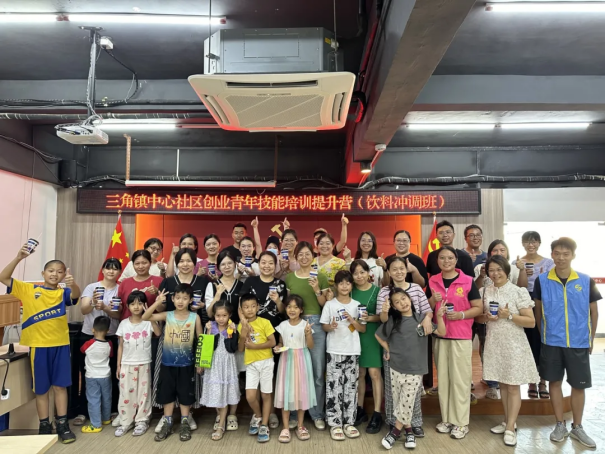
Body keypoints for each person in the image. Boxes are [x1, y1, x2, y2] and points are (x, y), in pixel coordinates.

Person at [0, 244, 81, 444]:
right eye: (51, 270)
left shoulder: (63, 293)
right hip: (38, 347)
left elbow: (75, 296)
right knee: (41, 389)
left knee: (60, 387)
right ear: (43, 273)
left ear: (64, 275)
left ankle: (62, 425)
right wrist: (19, 257)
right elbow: (3, 277)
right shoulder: (29, 289)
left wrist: (73, 284)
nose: (55, 274)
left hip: (61, 345)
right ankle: (44, 425)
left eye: (59, 272)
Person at [534, 237, 600, 449]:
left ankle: (577, 427)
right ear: (551, 255)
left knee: (578, 385)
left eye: (566, 254)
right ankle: (559, 424)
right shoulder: (542, 280)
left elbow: (594, 312)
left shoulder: (585, 280)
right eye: (557, 253)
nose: (561, 258)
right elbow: (538, 311)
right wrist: (544, 335)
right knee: (554, 382)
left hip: (578, 342)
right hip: (551, 342)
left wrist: (590, 339)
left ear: (573, 256)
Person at [475, 255, 539, 447]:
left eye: (499, 269)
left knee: (512, 386)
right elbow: (478, 319)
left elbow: (531, 322)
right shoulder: (484, 291)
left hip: (514, 344)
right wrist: (486, 317)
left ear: (507, 270)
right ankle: (507, 420)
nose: (495, 273)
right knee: (502, 384)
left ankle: (511, 427)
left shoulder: (518, 291)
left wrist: (509, 315)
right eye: (491, 270)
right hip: (494, 343)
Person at [376, 288, 447, 450]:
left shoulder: (422, 319)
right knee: (399, 401)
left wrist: (439, 316)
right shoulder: (394, 321)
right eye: (397, 302)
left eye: (404, 298)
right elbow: (378, 336)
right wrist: (388, 350)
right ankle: (409, 432)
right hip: (396, 366)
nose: (402, 303)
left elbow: (442, 332)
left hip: (416, 369)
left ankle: (395, 432)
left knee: (407, 400)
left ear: (410, 298)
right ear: (394, 307)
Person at [427, 246, 482, 440]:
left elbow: (478, 307)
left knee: (460, 380)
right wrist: (432, 300)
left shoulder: (467, 281)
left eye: (450, 258)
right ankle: (447, 419)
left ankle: (461, 422)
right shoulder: (433, 280)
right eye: (442, 258)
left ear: (456, 260)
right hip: (440, 335)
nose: (446, 261)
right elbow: (427, 308)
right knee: (443, 380)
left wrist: (461, 315)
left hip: (460, 336)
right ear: (437, 261)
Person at [152, 248, 207, 432]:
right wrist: (157, 302)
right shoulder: (168, 282)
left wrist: (203, 306)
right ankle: (166, 417)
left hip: (195, 330)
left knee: (188, 380)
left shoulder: (203, 281)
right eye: (181, 261)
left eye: (189, 260)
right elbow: (159, 310)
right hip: (172, 335)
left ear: (195, 263)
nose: (185, 264)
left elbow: (209, 311)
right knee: (167, 378)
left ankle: (187, 415)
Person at [378, 256, 433, 437]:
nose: (399, 272)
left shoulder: (416, 289)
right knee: (392, 388)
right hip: (393, 346)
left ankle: (414, 422)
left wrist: (427, 318)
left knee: (413, 388)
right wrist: (385, 311)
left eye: (401, 268)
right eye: (394, 269)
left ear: (406, 269)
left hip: (414, 346)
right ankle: (393, 421)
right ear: (389, 272)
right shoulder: (384, 292)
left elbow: (427, 311)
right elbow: (383, 320)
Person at [143, 284, 203, 442]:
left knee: (185, 394)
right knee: (167, 394)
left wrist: (200, 362)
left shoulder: (194, 317)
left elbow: (201, 339)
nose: (181, 301)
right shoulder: (167, 315)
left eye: (185, 298)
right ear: (172, 299)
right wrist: (157, 302)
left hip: (187, 364)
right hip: (167, 364)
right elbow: (146, 317)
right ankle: (167, 422)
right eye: (178, 298)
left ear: (190, 300)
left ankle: (185, 422)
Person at [473, 239, 529, 398]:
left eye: (502, 250)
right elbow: (475, 292)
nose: (499, 253)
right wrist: (485, 316)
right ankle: (491, 383)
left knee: (511, 380)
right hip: (491, 324)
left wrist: (509, 315)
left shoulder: (515, 273)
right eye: (495, 250)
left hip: (512, 330)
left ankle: (511, 417)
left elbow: (522, 286)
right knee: (488, 350)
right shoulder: (484, 283)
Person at [285, 241, 330, 430]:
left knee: (318, 372)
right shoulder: (290, 278)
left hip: (316, 323)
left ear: (313, 255)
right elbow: (288, 305)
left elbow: (324, 304)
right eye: (300, 254)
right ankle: (294, 414)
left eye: (307, 254)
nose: (304, 257)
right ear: (295, 257)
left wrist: (317, 290)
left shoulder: (321, 276)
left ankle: (317, 414)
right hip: (295, 324)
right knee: (295, 373)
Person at [75, 258, 122, 428]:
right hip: (89, 336)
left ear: (119, 272)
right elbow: (83, 310)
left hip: (112, 336)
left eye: (115, 268)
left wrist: (106, 308)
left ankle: (111, 410)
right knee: (86, 374)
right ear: (102, 270)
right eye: (108, 268)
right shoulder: (91, 287)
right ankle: (83, 411)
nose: (111, 271)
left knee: (112, 373)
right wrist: (94, 303)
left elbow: (119, 315)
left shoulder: (120, 288)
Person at [320, 270, 366, 441]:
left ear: (352, 285)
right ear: (336, 286)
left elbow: (363, 328)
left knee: (351, 387)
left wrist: (353, 320)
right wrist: (330, 326)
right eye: (341, 283)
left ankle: (349, 422)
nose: (345, 286)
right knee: (334, 387)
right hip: (334, 350)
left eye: (348, 283)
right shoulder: (330, 304)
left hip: (352, 350)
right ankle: (334, 423)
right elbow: (324, 326)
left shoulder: (357, 305)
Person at [511, 231, 555, 399]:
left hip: (543, 302)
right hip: (523, 302)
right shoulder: (516, 263)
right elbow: (515, 287)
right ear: (523, 244)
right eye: (527, 242)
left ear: (539, 243)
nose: (531, 245)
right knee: (528, 342)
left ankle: (543, 381)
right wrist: (522, 272)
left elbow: (551, 284)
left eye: (534, 241)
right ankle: (531, 381)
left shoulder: (549, 263)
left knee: (542, 341)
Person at [114, 291, 161, 437]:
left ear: (145, 305)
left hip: (144, 362)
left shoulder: (148, 322)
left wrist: (150, 316)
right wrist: (118, 365)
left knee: (143, 393)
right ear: (127, 306)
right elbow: (120, 345)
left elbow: (158, 333)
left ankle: (142, 420)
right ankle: (125, 421)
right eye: (133, 304)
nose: (136, 307)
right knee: (126, 393)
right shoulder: (123, 323)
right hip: (127, 363)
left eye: (140, 303)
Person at [273, 295, 316, 443]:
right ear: (285, 309)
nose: (292, 310)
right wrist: (278, 347)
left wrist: (308, 334)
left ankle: (300, 425)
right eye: (289, 307)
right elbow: (281, 342)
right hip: (286, 360)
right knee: (286, 391)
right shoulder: (283, 325)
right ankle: (285, 427)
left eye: (296, 307)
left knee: (301, 392)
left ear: (301, 310)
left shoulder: (305, 325)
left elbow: (311, 346)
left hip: (302, 359)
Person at [238, 293, 277, 443]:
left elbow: (272, 342)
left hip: (266, 362)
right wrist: (243, 334)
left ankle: (264, 425)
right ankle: (258, 416)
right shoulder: (241, 325)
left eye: (253, 306)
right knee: (250, 396)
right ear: (241, 309)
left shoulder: (265, 322)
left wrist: (255, 346)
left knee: (266, 395)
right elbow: (240, 348)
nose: (250, 309)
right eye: (246, 307)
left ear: (258, 307)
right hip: (251, 364)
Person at [350, 260, 383, 433]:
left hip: (372, 335)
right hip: (354, 335)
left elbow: (383, 316)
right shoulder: (349, 290)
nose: (359, 276)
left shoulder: (378, 291)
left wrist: (369, 318)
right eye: (355, 273)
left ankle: (377, 413)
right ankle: (360, 409)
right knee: (360, 373)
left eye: (362, 272)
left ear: (369, 272)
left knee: (374, 373)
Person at [200, 301, 241, 441]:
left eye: (224, 315)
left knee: (225, 393)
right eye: (218, 315)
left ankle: (221, 425)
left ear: (229, 315)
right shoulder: (210, 326)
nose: (221, 318)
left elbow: (233, 348)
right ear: (214, 315)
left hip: (227, 364)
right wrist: (209, 332)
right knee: (216, 391)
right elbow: (206, 347)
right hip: (213, 364)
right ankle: (219, 415)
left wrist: (233, 332)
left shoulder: (231, 328)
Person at [80, 316, 113, 433]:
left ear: (92, 329)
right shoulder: (109, 344)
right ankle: (106, 418)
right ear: (108, 330)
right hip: (106, 375)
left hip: (92, 376)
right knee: (106, 397)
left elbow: (82, 350)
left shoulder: (88, 343)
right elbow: (111, 355)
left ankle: (95, 424)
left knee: (94, 399)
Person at [241, 251, 287, 329]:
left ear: (275, 265)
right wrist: (243, 322)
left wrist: (277, 301)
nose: (267, 266)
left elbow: (283, 311)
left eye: (271, 263)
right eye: (263, 262)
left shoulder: (280, 284)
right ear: (259, 264)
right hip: (252, 327)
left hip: (274, 328)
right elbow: (241, 305)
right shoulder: (250, 281)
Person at [118, 250, 163, 320]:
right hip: (127, 324)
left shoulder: (160, 281)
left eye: (144, 263)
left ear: (150, 263)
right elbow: (121, 307)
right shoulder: (124, 283)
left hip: (151, 324)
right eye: (137, 263)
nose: (140, 266)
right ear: (133, 265)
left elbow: (164, 308)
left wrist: (157, 292)